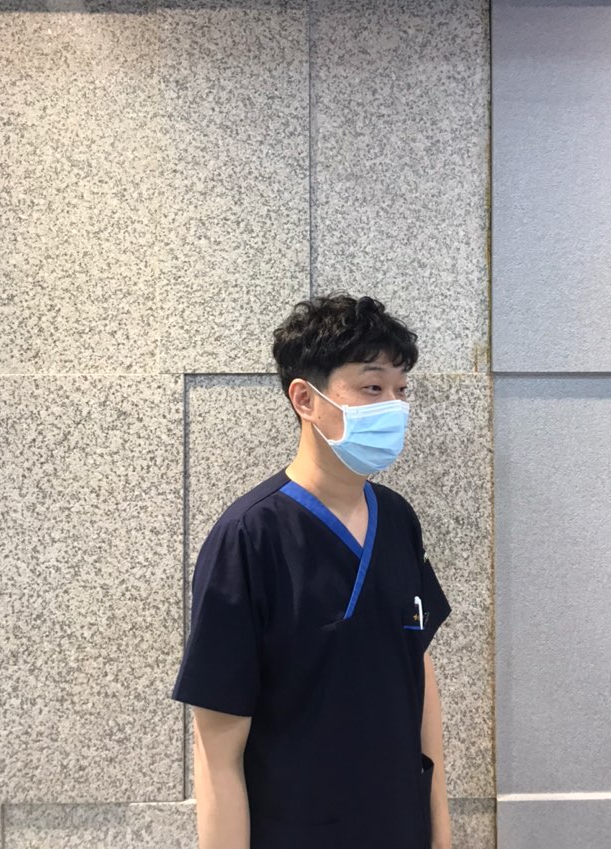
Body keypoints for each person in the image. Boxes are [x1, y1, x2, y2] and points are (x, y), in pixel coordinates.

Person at [171, 293, 453, 849]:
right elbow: (217, 750)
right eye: (372, 388)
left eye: (401, 390)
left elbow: (417, 669)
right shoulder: (249, 537)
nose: (393, 407)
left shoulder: (397, 519)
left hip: (400, 825)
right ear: (305, 398)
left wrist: (440, 833)